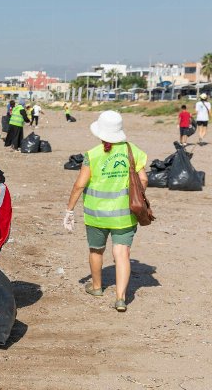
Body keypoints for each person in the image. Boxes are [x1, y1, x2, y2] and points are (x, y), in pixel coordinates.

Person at [63, 110, 148, 312]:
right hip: (125, 215)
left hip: (96, 215)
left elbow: (79, 185)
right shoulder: (133, 150)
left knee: (96, 250)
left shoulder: (92, 155)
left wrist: (69, 210)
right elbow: (143, 179)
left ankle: (96, 287)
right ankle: (120, 298)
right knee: (122, 254)